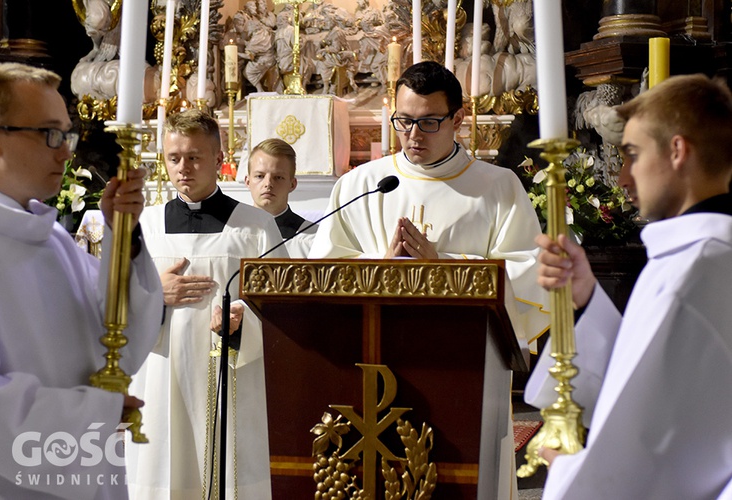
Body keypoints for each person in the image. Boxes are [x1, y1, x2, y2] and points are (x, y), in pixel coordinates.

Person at [308, 60, 548, 499]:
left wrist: (446, 264)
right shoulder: (361, 184)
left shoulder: (497, 187)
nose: (413, 135)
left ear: (458, 119)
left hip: (463, 364)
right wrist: (380, 265)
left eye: (429, 122)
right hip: (370, 360)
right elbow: (322, 274)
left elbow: (528, 275)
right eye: (403, 121)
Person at [525, 74, 732, 499]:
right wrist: (586, 297)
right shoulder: (709, 256)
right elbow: (671, 382)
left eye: (633, 155)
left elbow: (636, 459)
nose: (622, 179)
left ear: (677, 151)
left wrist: (564, 468)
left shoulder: (690, 273)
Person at [0, 62, 163, 498]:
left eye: (68, 134)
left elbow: (120, 344)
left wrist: (126, 238)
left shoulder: (52, 238)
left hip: (83, 471)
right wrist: (98, 411)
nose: (66, 152)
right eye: (49, 134)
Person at [126, 109, 284, 499]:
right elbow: (111, 307)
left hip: (230, 371)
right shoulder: (143, 223)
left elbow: (279, 306)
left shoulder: (255, 226)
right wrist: (153, 295)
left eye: (195, 157)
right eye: (174, 158)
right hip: (160, 375)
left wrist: (243, 318)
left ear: (218, 158)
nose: (183, 168)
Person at [245, 138, 317, 258]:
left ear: (292, 184)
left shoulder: (313, 238)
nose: (268, 183)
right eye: (259, 176)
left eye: (278, 177)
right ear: (247, 182)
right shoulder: (232, 232)